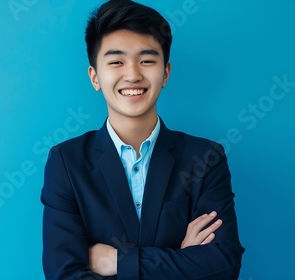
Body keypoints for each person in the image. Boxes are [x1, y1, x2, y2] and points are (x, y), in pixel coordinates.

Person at [40, 0, 245, 279]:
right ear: (95, 77)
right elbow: (64, 275)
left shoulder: (206, 157)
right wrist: (183, 259)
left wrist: (117, 261)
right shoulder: (67, 162)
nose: (133, 74)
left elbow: (224, 265)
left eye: (147, 60)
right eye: (116, 62)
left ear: (166, 73)